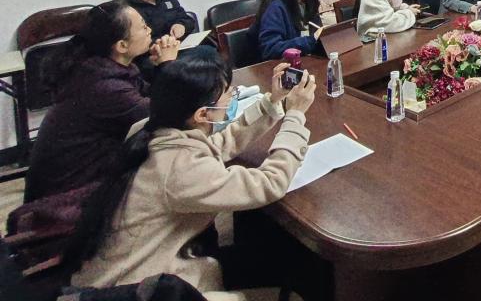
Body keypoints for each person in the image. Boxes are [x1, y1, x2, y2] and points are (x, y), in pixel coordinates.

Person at [67, 57, 316, 298]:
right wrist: (295, 117)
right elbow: (269, 183)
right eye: (228, 93)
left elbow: (218, 144)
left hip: (132, 266)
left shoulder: (150, 130)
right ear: (202, 114)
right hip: (139, 287)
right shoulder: (181, 169)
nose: (233, 95)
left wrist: (273, 101)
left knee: (264, 257)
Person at [25, 1, 179, 202]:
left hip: (87, 178)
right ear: (122, 46)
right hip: (66, 197)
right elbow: (166, 114)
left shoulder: (102, 68)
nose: (149, 30)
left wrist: (160, 68)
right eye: (143, 27)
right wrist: (168, 66)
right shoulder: (104, 86)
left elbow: (152, 98)